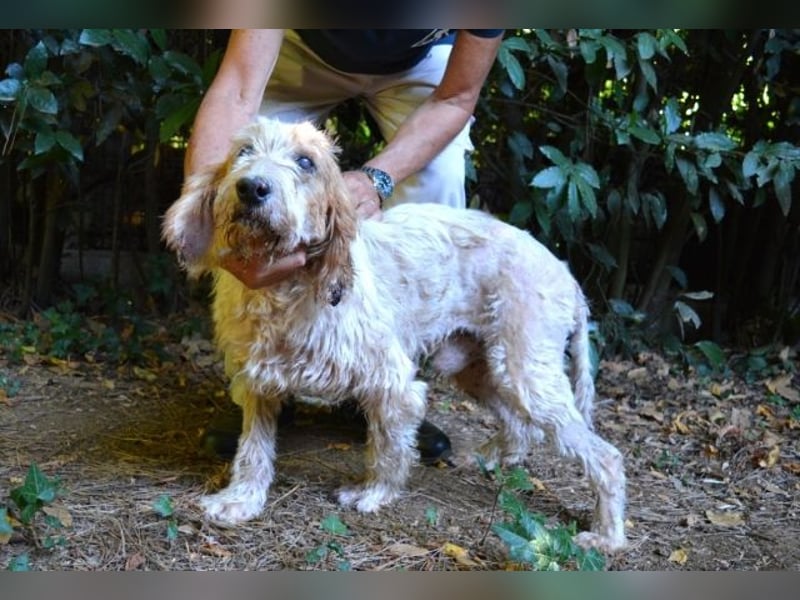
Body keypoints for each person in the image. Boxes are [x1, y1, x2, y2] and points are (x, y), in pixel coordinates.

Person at [185, 29, 504, 463]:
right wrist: (209, 210)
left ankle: (378, 381)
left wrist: (379, 178)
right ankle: (257, 384)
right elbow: (238, 89)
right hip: (305, 47)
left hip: (421, 59)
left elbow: (455, 98)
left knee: (439, 178)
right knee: (257, 169)